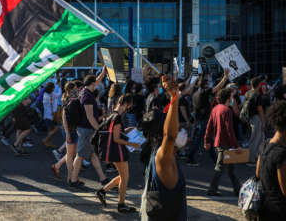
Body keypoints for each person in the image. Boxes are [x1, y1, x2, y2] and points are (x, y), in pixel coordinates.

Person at [140, 75, 187, 221]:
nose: (179, 128)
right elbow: (170, 136)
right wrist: (174, 98)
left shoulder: (157, 152)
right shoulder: (162, 156)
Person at [96, 93, 141, 213]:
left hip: (114, 150)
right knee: (125, 178)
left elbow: (116, 132)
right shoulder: (117, 117)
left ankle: (102, 192)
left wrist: (128, 129)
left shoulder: (113, 115)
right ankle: (121, 204)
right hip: (118, 151)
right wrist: (133, 144)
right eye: (129, 105)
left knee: (123, 176)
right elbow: (116, 138)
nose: (129, 108)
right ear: (126, 104)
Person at [70, 67, 110, 188]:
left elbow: (96, 81)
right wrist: (99, 129)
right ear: (92, 84)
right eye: (96, 84)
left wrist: (103, 73)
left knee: (92, 155)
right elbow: (90, 117)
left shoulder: (84, 90)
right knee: (81, 155)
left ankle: (103, 178)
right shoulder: (87, 97)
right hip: (86, 130)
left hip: (87, 129)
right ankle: (73, 180)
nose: (97, 85)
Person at [187, 69, 230, 166]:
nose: (209, 85)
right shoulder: (204, 93)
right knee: (202, 140)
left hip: (199, 119)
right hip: (204, 120)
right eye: (207, 83)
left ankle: (214, 160)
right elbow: (217, 88)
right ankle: (191, 157)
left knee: (204, 140)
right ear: (205, 85)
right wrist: (225, 77)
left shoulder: (195, 93)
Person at [204, 88, 241, 196]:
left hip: (219, 142)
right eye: (231, 96)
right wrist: (236, 145)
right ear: (228, 97)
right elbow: (229, 130)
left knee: (230, 168)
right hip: (225, 143)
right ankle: (212, 189)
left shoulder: (215, 109)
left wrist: (207, 140)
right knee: (220, 168)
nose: (232, 98)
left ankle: (237, 189)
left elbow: (209, 126)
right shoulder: (227, 110)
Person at [255, 101, 286, 221]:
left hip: (263, 207)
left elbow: (258, 174)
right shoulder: (281, 153)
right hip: (279, 211)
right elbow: (285, 190)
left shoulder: (264, 145)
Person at [51, 82, 79, 182]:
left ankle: (57, 166)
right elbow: (64, 118)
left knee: (72, 153)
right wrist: (67, 133)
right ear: (71, 89)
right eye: (75, 88)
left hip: (73, 129)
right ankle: (70, 177)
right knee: (71, 155)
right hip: (69, 130)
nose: (77, 90)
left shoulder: (71, 98)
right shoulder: (68, 99)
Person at [246, 76, 266, 164]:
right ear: (259, 84)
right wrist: (263, 122)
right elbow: (260, 110)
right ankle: (251, 159)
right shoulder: (257, 95)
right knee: (255, 138)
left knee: (260, 137)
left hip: (250, 118)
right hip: (257, 118)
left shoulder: (248, 93)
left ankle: (258, 156)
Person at [42, 82, 59, 149]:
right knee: (55, 129)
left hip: (49, 115)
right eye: (53, 87)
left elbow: (57, 95)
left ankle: (48, 143)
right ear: (51, 88)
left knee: (51, 130)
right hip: (49, 115)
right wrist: (54, 114)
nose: (54, 88)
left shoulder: (50, 94)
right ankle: (45, 140)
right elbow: (51, 106)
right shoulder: (47, 96)